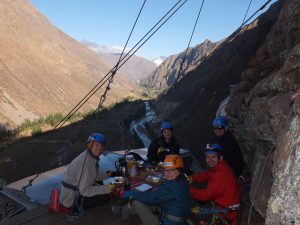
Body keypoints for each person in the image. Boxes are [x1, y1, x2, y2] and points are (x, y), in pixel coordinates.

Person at [121, 155, 191, 225]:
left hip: (168, 221)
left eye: (172, 171)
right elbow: (159, 196)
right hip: (172, 213)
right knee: (141, 200)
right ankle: (124, 210)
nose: (167, 174)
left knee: (137, 202)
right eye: (166, 170)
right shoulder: (181, 180)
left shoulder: (174, 186)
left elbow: (152, 198)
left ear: (179, 171)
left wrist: (133, 193)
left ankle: (124, 214)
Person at [60, 133, 115, 214]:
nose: (99, 148)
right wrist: (108, 188)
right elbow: (85, 191)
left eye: (101, 145)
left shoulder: (88, 155)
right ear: (90, 145)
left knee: (101, 187)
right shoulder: (86, 163)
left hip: (72, 192)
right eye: (96, 145)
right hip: (71, 200)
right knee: (105, 197)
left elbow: (92, 177)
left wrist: (109, 174)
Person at [189, 144, 240, 225]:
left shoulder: (221, 174)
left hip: (226, 213)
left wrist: (188, 190)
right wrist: (192, 178)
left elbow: (206, 195)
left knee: (189, 210)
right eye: (208, 157)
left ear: (220, 158)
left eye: (213, 157)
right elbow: (207, 175)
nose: (210, 160)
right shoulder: (219, 167)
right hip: (224, 205)